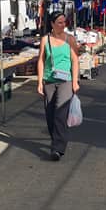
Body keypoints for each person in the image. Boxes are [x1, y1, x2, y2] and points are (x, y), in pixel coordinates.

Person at [37, 11, 80, 161]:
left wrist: (75, 81)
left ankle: (57, 148)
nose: (63, 25)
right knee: (50, 114)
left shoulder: (70, 39)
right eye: (59, 22)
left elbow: (75, 61)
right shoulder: (45, 40)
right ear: (52, 24)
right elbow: (41, 60)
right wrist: (39, 81)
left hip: (66, 80)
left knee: (60, 113)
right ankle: (55, 139)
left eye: (64, 22)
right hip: (49, 80)